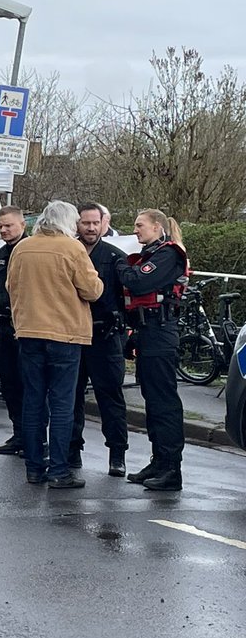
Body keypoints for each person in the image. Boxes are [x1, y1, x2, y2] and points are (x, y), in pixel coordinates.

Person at [6, 201, 104, 488]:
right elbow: (92, 290)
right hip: (65, 333)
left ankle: (34, 467)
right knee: (62, 404)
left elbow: (10, 287)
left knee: (33, 401)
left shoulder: (22, 248)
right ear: (68, 223)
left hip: (29, 331)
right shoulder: (72, 248)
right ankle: (59, 470)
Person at [118, 209, 189, 491]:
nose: (135, 231)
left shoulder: (168, 254)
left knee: (164, 402)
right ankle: (159, 460)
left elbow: (139, 281)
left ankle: (171, 468)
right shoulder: (151, 254)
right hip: (148, 332)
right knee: (152, 400)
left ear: (157, 226)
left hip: (161, 333)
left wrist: (120, 267)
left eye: (140, 225)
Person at [69, 203, 130, 476]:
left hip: (106, 336)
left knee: (111, 397)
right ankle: (72, 450)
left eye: (95, 222)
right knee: (70, 396)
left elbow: (126, 298)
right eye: (85, 223)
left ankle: (117, 454)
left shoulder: (115, 256)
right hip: (72, 334)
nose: (91, 228)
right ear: (76, 224)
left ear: (103, 223)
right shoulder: (67, 253)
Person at [0, 207, 29, 455]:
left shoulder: (31, 251)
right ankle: (19, 433)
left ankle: (34, 436)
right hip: (4, 325)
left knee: (29, 385)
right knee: (9, 384)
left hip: (26, 327)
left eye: (9, 226)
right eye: (1, 226)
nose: (4, 230)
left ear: (23, 225)